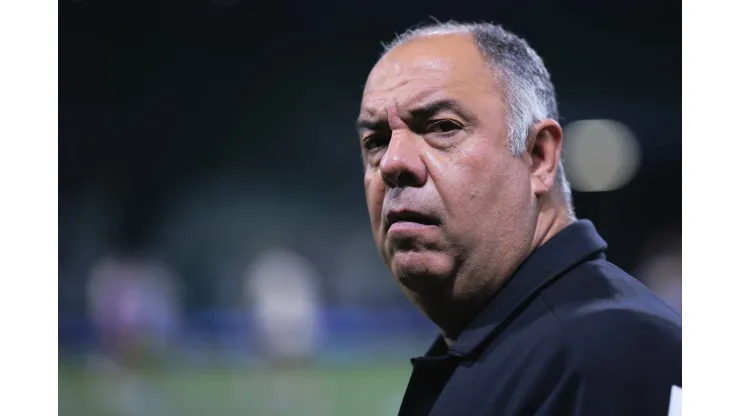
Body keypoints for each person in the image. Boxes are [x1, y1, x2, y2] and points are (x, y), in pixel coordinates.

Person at [356, 21, 681, 415]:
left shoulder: (616, 350)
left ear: (539, 157)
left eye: (443, 127)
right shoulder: (517, 344)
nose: (393, 163)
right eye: (376, 141)